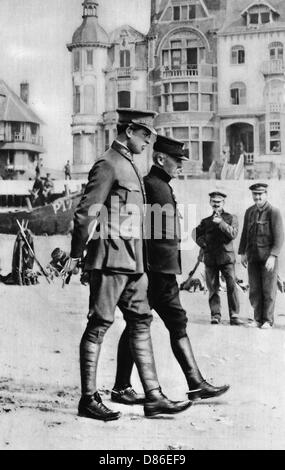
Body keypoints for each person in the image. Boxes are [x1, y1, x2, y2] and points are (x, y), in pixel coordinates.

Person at [61, 109, 192, 421]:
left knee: (141, 321)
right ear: (130, 130)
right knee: (99, 324)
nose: (149, 143)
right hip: (109, 259)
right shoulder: (108, 163)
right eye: (146, 135)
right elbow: (86, 213)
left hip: (133, 261)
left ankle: (155, 396)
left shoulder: (130, 164)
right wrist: (76, 255)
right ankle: (88, 398)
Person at [111, 135, 230, 403]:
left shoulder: (161, 184)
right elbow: (141, 230)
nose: (180, 165)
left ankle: (126, 386)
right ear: (160, 158)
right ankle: (192, 383)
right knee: (158, 323)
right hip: (154, 272)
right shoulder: (151, 185)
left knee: (145, 324)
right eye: (177, 160)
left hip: (161, 270)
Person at [193, 191, 243, 325]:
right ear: (210, 203)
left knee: (232, 287)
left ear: (223, 203)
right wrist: (203, 243)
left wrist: (221, 223)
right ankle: (215, 315)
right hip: (211, 259)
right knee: (212, 288)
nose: (216, 205)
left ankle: (234, 315)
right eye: (214, 202)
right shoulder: (206, 221)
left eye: (219, 202)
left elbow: (233, 234)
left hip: (226, 259)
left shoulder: (231, 218)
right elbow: (195, 234)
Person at [238, 183, 284, 329]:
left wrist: (273, 256)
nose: (257, 197)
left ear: (266, 194)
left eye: (260, 194)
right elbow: (245, 233)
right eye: (255, 194)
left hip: (267, 258)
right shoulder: (249, 212)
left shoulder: (274, 212)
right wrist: (242, 253)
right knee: (255, 290)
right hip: (253, 257)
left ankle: (267, 320)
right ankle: (257, 319)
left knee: (268, 290)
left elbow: (279, 237)